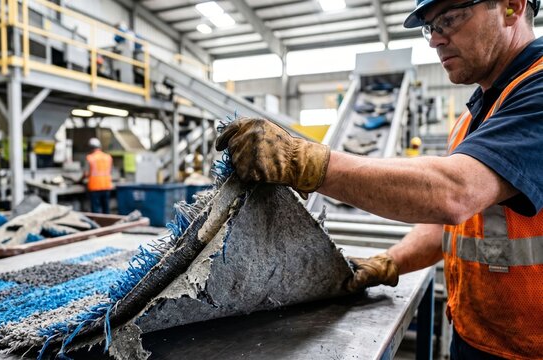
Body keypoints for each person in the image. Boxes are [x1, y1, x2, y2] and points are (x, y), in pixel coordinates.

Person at [215, 0, 542, 358]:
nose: (435, 40)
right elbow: (453, 225)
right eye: (431, 27)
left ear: (511, 7)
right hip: (477, 338)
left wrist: (301, 160)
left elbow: (456, 193)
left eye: (449, 19)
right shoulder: (473, 117)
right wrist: (389, 262)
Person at [83, 137, 113, 214]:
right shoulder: (108, 157)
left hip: (95, 187)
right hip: (106, 185)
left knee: (96, 210)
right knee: (106, 209)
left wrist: (80, 179)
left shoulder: (90, 158)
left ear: (90, 148)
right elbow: (110, 171)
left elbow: (86, 173)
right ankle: (108, 224)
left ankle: (97, 225)